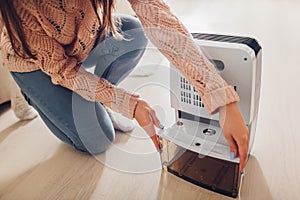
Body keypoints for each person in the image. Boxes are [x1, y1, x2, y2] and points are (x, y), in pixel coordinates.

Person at [0, 0, 249, 171]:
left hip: (81, 36)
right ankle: (28, 91)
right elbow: (64, 71)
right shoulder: (21, 8)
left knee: (135, 32)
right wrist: (127, 103)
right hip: (35, 61)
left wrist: (220, 97)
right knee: (98, 140)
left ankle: (95, 99)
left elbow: (159, 20)